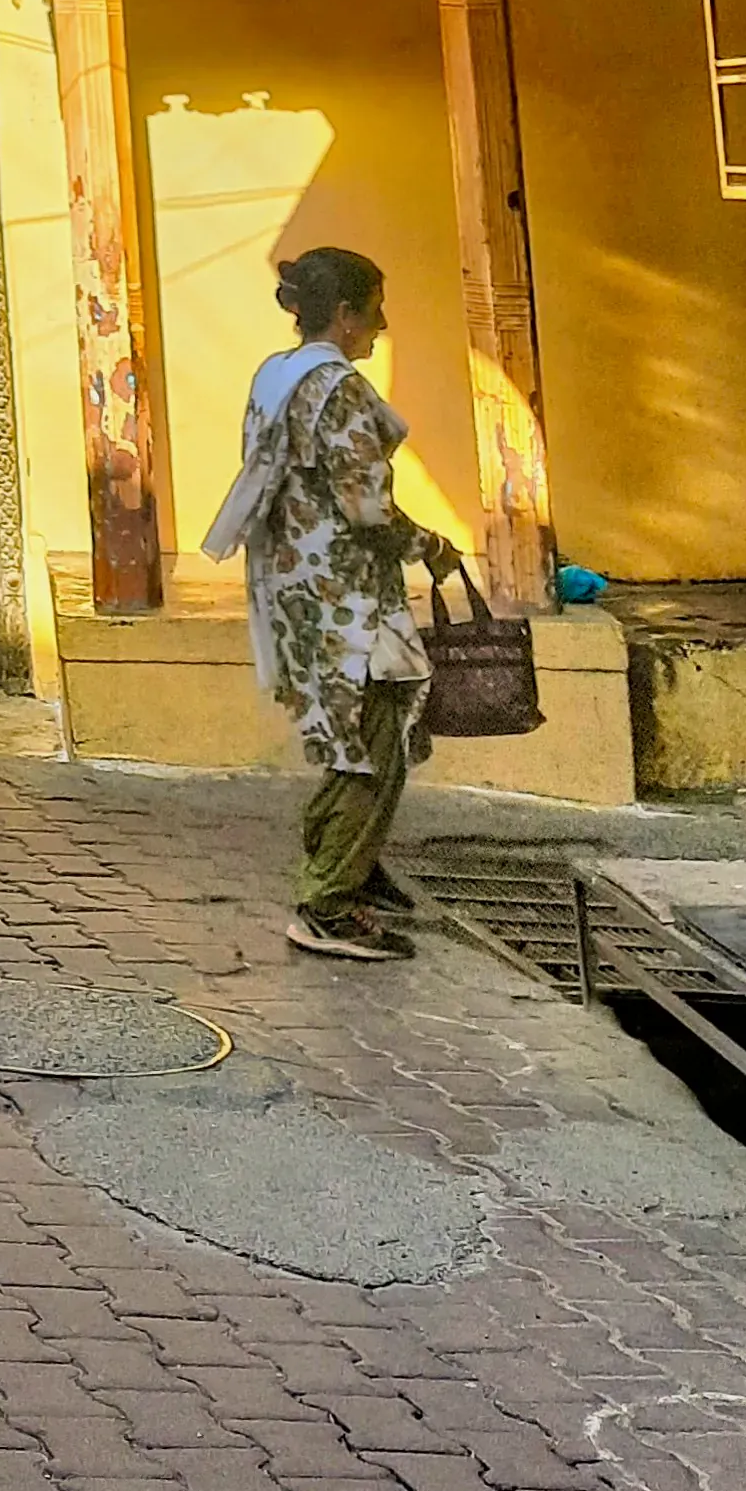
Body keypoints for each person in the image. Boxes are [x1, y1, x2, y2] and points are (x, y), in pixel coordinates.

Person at [202, 244, 463, 961]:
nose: (382, 321)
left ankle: (345, 863)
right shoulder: (337, 388)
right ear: (345, 314)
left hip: (290, 586)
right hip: (344, 592)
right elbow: (367, 506)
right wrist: (431, 545)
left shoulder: (275, 375)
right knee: (373, 745)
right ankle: (329, 902)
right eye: (374, 306)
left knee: (347, 738)